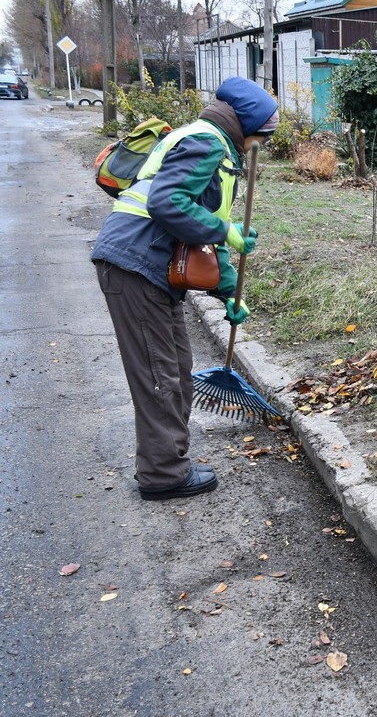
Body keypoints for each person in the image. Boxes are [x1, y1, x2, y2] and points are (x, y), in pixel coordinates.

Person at [92, 76, 279, 500]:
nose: (262, 146)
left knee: (176, 367)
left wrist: (230, 292)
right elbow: (166, 203)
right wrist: (225, 229)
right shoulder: (207, 143)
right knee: (160, 375)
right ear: (245, 127)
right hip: (135, 266)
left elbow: (205, 236)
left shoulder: (218, 150)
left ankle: (168, 462)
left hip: (149, 270)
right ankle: (162, 475)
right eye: (262, 137)